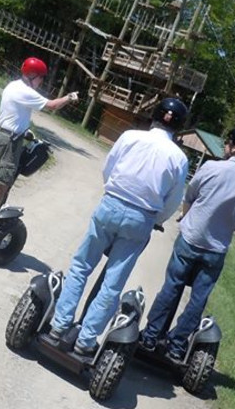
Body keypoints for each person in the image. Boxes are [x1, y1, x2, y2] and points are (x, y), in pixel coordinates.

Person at [48, 98, 190, 356]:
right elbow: (173, 200)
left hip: (111, 204)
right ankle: (86, 340)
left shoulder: (130, 136)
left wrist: (113, 193)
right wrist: (157, 220)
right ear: (178, 128)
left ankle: (59, 325)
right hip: (141, 218)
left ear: (154, 116)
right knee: (112, 283)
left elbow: (108, 169)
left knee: (81, 266)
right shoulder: (179, 158)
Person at [139, 126, 235, 360]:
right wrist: (226, 225)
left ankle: (151, 336)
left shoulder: (211, 168)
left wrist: (186, 216)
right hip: (216, 248)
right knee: (198, 298)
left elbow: (190, 196)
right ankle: (176, 346)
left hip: (191, 238)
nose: (226, 146)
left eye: (228, 143)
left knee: (172, 286)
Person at [0, 57, 78, 231]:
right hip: (10, 142)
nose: (41, 82)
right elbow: (52, 106)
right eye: (41, 78)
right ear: (32, 76)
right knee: (2, 184)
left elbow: (15, 113)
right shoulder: (27, 92)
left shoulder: (12, 85)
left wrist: (24, 131)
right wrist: (69, 97)